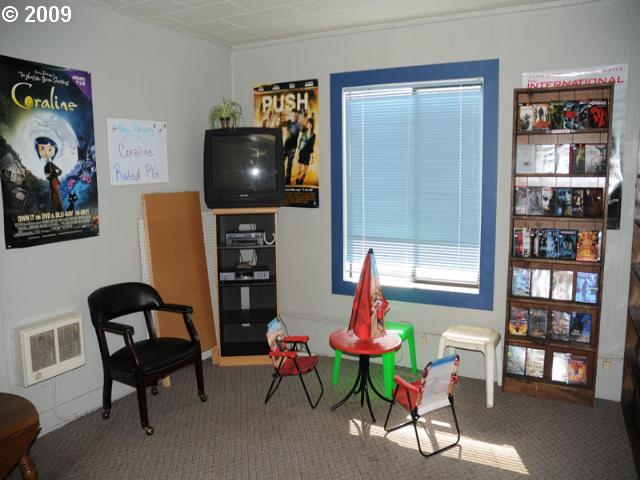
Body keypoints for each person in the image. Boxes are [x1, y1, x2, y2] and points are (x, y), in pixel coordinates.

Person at [34, 136, 63, 211]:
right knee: (52, 195)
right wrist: (49, 176)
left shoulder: (52, 164)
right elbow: (46, 176)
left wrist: (55, 175)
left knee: (57, 194)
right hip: (51, 182)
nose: (46, 153)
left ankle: (60, 208)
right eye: (42, 149)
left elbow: (60, 171)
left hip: (55, 181)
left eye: (50, 149)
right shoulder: (45, 167)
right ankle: (53, 209)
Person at [295, 117, 315, 185]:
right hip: (302, 152)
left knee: (305, 172)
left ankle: (300, 180)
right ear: (307, 124)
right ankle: (298, 183)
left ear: (312, 125)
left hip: (308, 154)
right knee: (299, 171)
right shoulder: (303, 132)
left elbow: (312, 146)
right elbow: (299, 142)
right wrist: (297, 152)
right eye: (308, 123)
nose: (309, 125)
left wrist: (312, 157)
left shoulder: (313, 135)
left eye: (311, 124)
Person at [283, 109, 300, 185]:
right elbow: (285, 132)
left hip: (292, 148)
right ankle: (280, 178)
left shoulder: (298, 125)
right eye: (293, 115)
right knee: (281, 163)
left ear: (297, 116)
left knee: (289, 166)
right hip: (285, 146)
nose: (294, 116)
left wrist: (297, 149)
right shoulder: (288, 122)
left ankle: (287, 182)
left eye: (296, 115)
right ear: (291, 115)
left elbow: (301, 135)